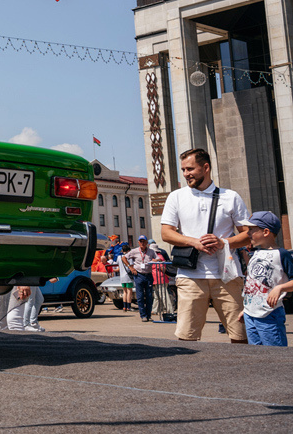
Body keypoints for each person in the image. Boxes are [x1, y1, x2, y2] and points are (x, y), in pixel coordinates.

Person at [161, 148, 251, 343]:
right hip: (190, 276)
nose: (186, 174)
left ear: (206, 167)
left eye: (190, 169)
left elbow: (248, 235)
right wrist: (194, 242)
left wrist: (223, 242)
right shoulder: (176, 197)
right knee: (186, 337)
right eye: (183, 170)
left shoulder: (230, 197)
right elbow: (166, 233)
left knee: (240, 336)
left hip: (227, 275)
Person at [241, 211, 293, 346]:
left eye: (252, 229)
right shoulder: (255, 253)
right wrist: (246, 307)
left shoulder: (282, 254)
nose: (248, 233)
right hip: (250, 313)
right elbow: (252, 283)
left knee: (275, 354)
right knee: (257, 356)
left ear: (265, 232)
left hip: (270, 313)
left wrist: (280, 288)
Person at [125, 236, 158, 322]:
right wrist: (131, 268)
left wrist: (155, 260)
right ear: (138, 242)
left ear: (147, 242)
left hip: (148, 275)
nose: (142, 243)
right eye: (141, 241)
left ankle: (148, 315)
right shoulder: (134, 251)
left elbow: (158, 258)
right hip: (138, 275)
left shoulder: (151, 251)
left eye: (144, 241)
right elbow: (123, 258)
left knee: (149, 296)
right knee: (140, 296)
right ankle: (143, 315)